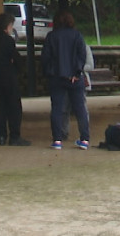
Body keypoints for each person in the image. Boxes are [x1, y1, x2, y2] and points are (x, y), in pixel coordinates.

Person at [42, 9, 90, 150]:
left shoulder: (51, 36)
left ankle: (57, 140)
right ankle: (84, 139)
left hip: (57, 77)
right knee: (80, 108)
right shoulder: (77, 35)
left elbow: (46, 57)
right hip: (75, 78)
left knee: (57, 109)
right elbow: (82, 55)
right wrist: (77, 72)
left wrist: (50, 72)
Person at [0, 12, 30, 146]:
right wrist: (18, 67)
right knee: (14, 107)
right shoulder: (8, 40)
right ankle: (15, 136)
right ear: (7, 26)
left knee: (0, 107)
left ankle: (1, 135)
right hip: (9, 76)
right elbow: (16, 58)